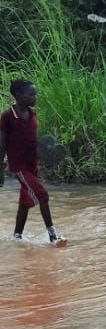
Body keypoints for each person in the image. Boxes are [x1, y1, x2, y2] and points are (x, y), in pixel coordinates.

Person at [1, 79, 63, 244]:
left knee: (25, 202)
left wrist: (47, 152)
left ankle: (17, 237)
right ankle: (53, 236)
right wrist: (0, 169)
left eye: (35, 94)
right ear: (18, 95)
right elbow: (2, 143)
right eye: (31, 94)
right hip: (19, 167)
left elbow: (33, 140)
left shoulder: (32, 113)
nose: (35, 97)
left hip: (33, 165)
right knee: (42, 195)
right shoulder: (8, 116)